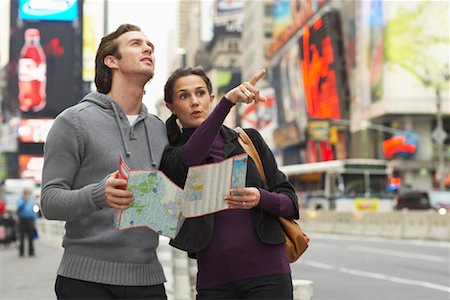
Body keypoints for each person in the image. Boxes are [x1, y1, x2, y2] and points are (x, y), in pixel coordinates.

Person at [40, 24, 168, 299]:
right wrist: (100, 194)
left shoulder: (161, 130)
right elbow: (49, 201)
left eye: (150, 46)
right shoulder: (73, 121)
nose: (147, 49)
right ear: (111, 60)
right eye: (136, 43)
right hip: (85, 281)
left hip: (149, 281)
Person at [161, 67, 299, 299]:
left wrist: (260, 197)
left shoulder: (248, 140)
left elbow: (291, 204)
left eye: (201, 93)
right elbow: (191, 157)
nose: (195, 102)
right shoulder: (171, 155)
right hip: (214, 283)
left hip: (269, 275)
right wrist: (227, 103)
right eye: (184, 96)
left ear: (210, 98)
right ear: (171, 107)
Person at [17, 187, 37, 256]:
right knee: (21, 237)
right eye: (25, 193)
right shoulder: (20, 200)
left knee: (31, 236)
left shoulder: (32, 201)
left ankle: (31, 252)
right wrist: (24, 200)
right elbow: (19, 207)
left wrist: (35, 220)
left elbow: (34, 211)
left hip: (30, 219)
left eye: (27, 193)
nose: (26, 194)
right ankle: (21, 252)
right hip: (22, 219)